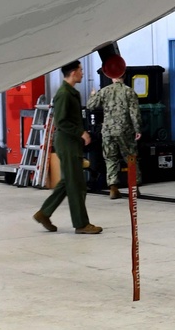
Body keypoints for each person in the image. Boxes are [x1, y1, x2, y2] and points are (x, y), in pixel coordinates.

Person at [33, 60, 102, 235]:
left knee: (70, 181)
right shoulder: (64, 94)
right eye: (80, 70)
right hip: (67, 142)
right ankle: (81, 224)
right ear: (72, 73)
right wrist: (81, 133)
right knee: (77, 185)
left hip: (71, 142)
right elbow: (61, 121)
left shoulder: (71, 93)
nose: (83, 73)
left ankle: (44, 213)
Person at [87, 74, 141, 198]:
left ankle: (113, 188)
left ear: (112, 77)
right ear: (124, 76)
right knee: (131, 158)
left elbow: (90, 105)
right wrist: (138, 129)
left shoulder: (104, 91)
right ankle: (134, 187)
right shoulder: (129, 91)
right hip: (125, 131)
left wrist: (93, 95)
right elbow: (134, 113)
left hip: (107, 131)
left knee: (110, 158)